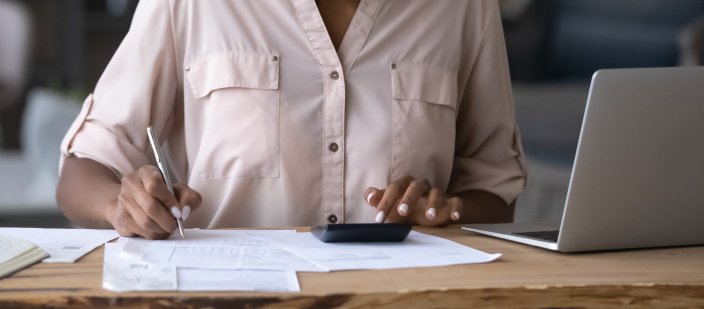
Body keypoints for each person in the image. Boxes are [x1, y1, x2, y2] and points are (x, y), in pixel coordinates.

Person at [56, 0, 527, 240]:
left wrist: (447, 211)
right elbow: (82, 169)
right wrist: (122, 205)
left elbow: (495, 189)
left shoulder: (462, 9)